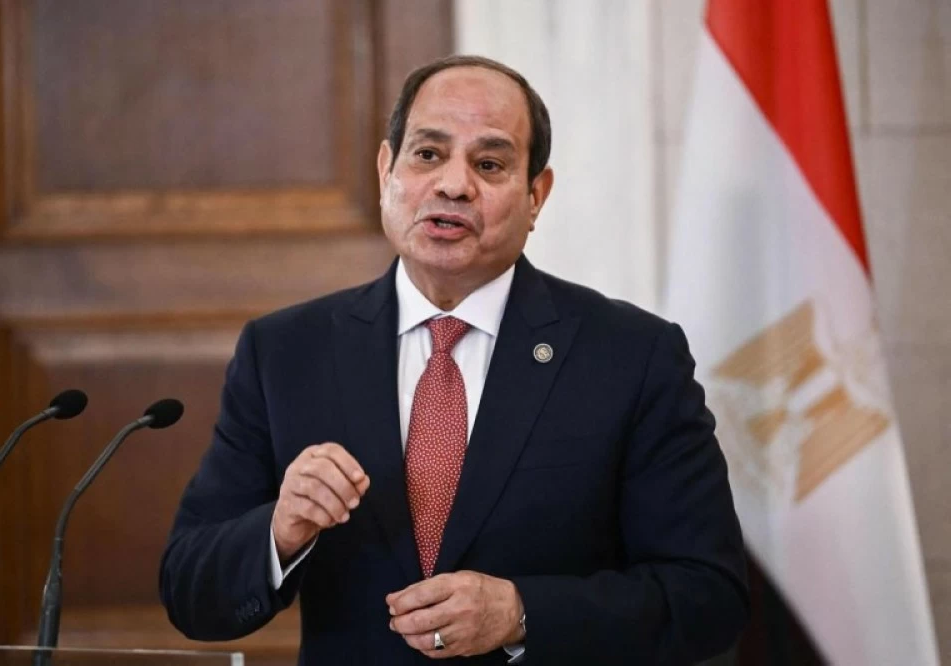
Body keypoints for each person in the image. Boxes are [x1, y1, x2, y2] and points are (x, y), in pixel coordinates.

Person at [160, 54, 749, 665]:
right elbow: (188, 589)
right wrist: (279, 532)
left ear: (536, 195)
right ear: (386, 170)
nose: (453, 185)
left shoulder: (631, 356)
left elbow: (709, 596)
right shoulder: (286, 351)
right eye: (427, 154)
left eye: (489, 164)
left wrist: (522, 613)